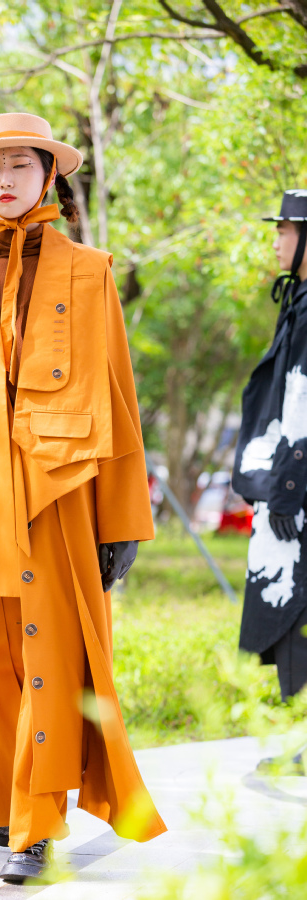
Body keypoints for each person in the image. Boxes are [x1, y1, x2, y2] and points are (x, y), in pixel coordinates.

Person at [0, 113, 165, 884]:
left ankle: (34, 826)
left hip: (60, 499)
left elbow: (117, 398)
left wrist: (122, 521)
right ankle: (2, 799)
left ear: (48, 175)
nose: (6, 179)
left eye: (21, 164)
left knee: (48, 662)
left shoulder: (91, 271)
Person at [233, 190, 307, 703]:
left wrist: (286, 487)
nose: (277, 242)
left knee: (295, 609)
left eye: (285, 231)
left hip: (297, 492)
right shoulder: (297, 301)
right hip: (288, 487)